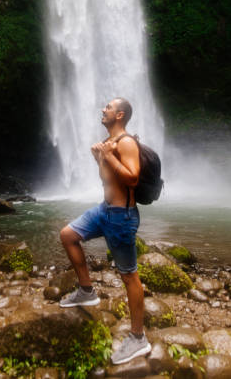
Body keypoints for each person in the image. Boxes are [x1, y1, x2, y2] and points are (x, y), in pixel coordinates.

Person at [59, 97, 151, 365]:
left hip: (121, 217)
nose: (103, 110)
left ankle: (138, 338)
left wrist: (109, 155)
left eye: (108, 107)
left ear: (119, 115)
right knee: (68, 235)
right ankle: (87, 291)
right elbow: (109, 179)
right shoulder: (110, 144)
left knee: (129, 277)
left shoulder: (126, 143)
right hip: (104, 211)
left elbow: (132, 177)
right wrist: (98, 156)